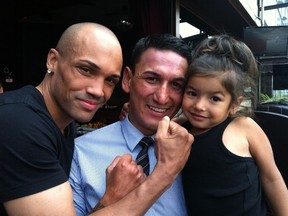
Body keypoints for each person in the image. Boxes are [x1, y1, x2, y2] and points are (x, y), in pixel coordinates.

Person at [0, 22, 193, 216]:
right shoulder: (20, 123)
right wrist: (164, 173)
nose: (97, 91)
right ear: (52, 60)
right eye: (85, 70)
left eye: (109, 80)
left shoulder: (65, 129)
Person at [69, 34, 193, 215]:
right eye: (152, 79)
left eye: (176, 85)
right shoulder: (80, 152)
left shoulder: (197, 147)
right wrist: (110, 199)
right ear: (127, 79)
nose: (162, 97)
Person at [181, 34, 288, 215]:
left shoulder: (244, 127)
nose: (199, 106)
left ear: (234, 105)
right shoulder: (181, 130)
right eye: (192, 93)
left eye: (215, 98)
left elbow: (271, 179)